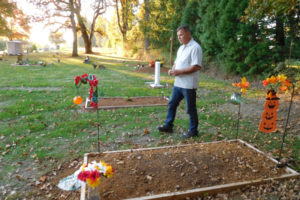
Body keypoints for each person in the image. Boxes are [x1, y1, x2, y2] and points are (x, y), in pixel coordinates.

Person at [158, 25, 202, 139]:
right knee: (172, 103)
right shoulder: (181, 48)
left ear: (188, 33)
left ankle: (193, 131)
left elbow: (196, 66)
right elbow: (177, 63)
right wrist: (173, 69)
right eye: (178, 36)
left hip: (189, 85)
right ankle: (168, 126)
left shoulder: (195, 47)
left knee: (190, 108)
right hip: (178, 84)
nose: (179, 37)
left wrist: (179, 71)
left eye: (181, 35)